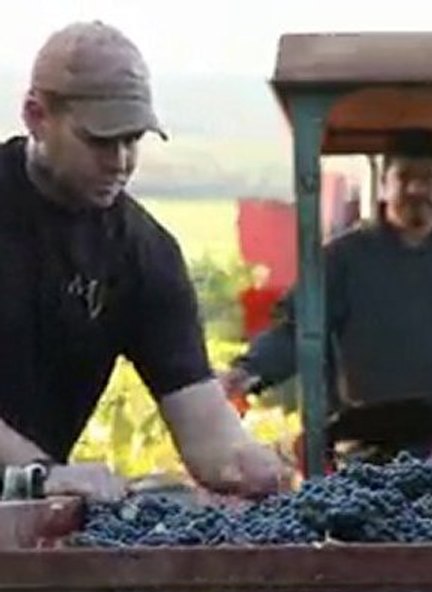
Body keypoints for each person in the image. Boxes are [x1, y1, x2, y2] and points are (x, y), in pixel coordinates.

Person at [0, 21, 291, 503]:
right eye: (99, 140)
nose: (120, 161)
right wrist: (40, 475)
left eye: (132, 139)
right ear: (35, 116)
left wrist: (249, 465)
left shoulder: (144, 254)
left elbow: (205, 428)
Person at [221, 130, 432, 474]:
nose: (415, 189)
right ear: (385, 185)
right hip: (365, 437)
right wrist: (248, 371)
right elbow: (297, 329)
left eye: (426, 179)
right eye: (404, 178)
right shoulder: (344, 259)